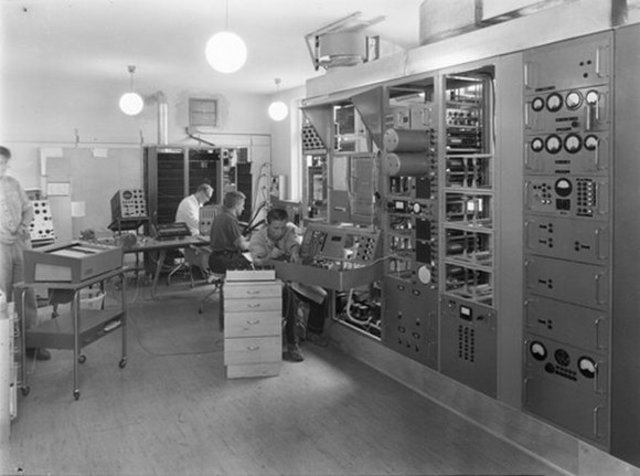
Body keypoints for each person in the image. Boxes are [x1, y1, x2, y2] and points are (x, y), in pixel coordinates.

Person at [249, 208, 327, 362]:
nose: (279, 231)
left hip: (291, 278)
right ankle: (292, 344)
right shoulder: (257, 238)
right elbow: (257, 262)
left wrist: (294, 252)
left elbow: (293, 242)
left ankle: (313, 331)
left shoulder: (288, 230)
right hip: (269, 280)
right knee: (290, 297)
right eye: (275, 228)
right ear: (268, 225)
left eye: (282, 227)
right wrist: (269, 257)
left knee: (321, 295)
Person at [0, 146, 50, 360]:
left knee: (26, 292)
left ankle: (31, 343)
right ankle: (4, 350)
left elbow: (28, 209)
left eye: (4, 163)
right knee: (2, 296)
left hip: (20, 244)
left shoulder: (13, 184)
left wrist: (22, 228)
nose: (2, 167)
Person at [175, 182, 213, 277]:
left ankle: (204, 270)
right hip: (187, 237)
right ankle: (203, 270)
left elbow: (202, 222)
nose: (208, 200)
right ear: (201, 192)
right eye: (207, 196)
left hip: (195, 235)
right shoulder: (188, 203)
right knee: (212, 246)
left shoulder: (199, 204)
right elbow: (195, 223)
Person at [208, 190, 251, 274]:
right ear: (236, 205)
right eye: (242, 205)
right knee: (256, 261)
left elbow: (236, 238)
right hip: (226, 261)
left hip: (214, 259)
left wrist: (245, 239)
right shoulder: (230, 220)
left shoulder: (219, 217)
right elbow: (242, 246)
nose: (243, 208)